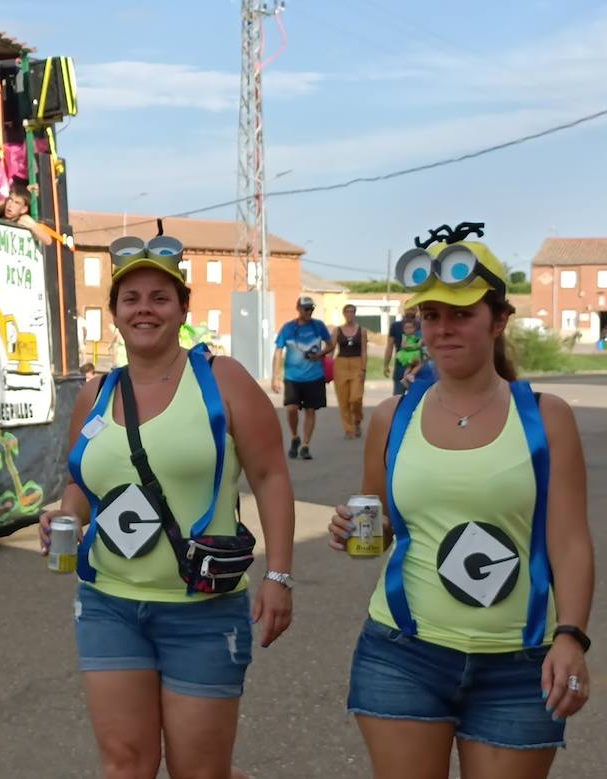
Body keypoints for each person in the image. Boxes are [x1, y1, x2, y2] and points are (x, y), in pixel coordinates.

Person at [327, 226, 595, 779]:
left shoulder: (547, 418)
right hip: (403, 653)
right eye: (430, 316)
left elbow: (568, 541)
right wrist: (349, 527)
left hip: (521, 666)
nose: (443, 329)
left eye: (461, 314)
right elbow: (375, 529)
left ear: (498, 322)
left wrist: (571, 637)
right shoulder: (392, 417)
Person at [39, 236, 294, 779]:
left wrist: (279, 575)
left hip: (202, 609)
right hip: (109, 605)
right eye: (131, 299)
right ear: (114, 314)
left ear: (183, 308)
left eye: (159, 297)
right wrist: (64, 515)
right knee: (125, 765)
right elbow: (82, 482)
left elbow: (271, 476)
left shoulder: (221, 381)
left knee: (199, 770)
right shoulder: (97, 393)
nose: (144, 309)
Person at [271, 296, 332, 460]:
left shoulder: (318, 326)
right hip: (292, 377)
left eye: (311, 309)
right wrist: (275, 377)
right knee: (291, 409)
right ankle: (294, 436)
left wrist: (321, 354)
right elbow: (278, 352)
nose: (309, 312)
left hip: (314, 376)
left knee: (310, 410)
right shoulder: (288, 328)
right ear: (298, 309)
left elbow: (331, 344)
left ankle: (305, 445)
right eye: (306, 309)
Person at [333, 303, 368, 439]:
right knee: (343, 399)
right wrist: (326, 366)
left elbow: (364, 351)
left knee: (356, 398)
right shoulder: (337, 330)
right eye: (347, 311)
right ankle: (349, 429)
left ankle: (357, 420)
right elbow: (331, 349)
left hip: (357, 363)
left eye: (352, 311)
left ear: (355, 313)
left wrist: (364, 368)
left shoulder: (362, 330)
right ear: (344, 314)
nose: (350, 314)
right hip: (341, 364)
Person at [384, 309, 419, 395]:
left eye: (413, 308)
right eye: (408, 308)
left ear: (417, 310)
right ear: (404, 309)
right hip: (401, 365)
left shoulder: (423, 325)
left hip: (419, 369)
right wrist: (386, 365)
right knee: (398, 397)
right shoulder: (395, 326)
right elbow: (389, 347)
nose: (410, 311)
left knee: (418, 398)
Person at [395, 319, 425, 388]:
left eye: (410, 328)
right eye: (406, 328)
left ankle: (404, 378)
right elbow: (403, 345)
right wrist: (414, 346)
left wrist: (420, 342)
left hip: (412, 354)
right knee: (420, 364)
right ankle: (411, 374)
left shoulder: (414, 337)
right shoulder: (405, 336)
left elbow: (420, 343)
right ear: (404, 330)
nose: (409, 330)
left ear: (414, 329)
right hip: (408, 355)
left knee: (410, 367)